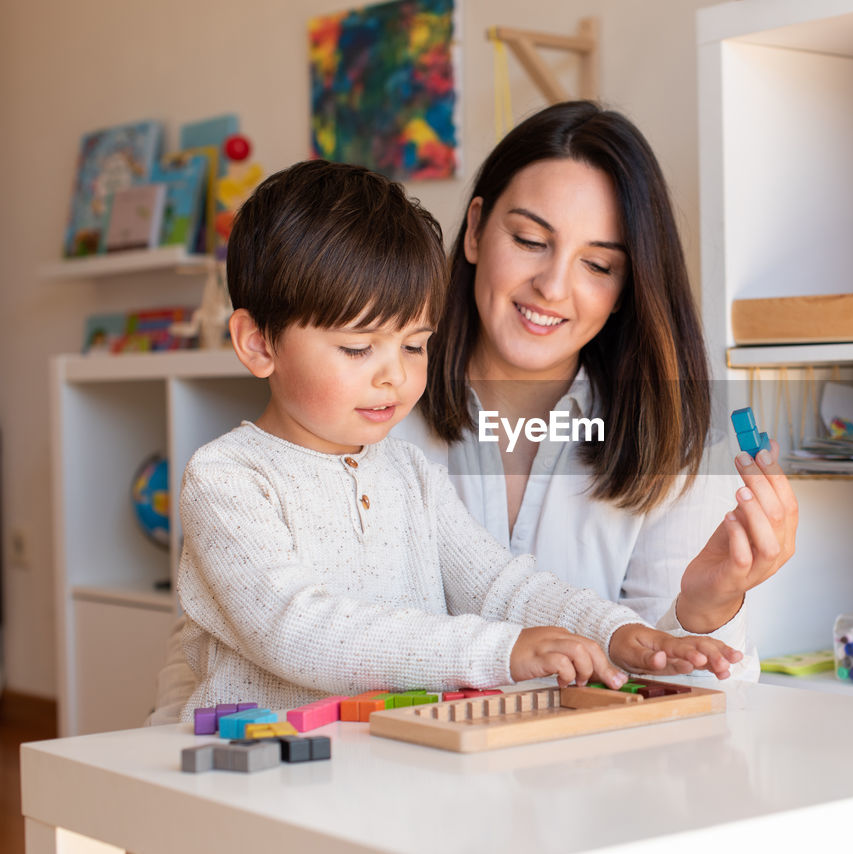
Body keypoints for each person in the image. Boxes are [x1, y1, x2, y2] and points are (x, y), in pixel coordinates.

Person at [163, 160, 740, 721]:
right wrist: (498, 653)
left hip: (389, 769)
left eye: (414, 345)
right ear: (259, 344)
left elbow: (499, 584)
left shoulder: (408, 471)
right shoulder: (228, 479)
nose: (395, 375)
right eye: (359, 348)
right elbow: (296, 630)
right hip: (258, 777)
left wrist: (614, 633)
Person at [392, 101, 798, 681]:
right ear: (477, 229)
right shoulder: (374, 407)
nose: (553, 287)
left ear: (626, 287)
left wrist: (706, 610)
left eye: (599, 266)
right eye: (531, 239)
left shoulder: (672, 439)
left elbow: (692, 715)